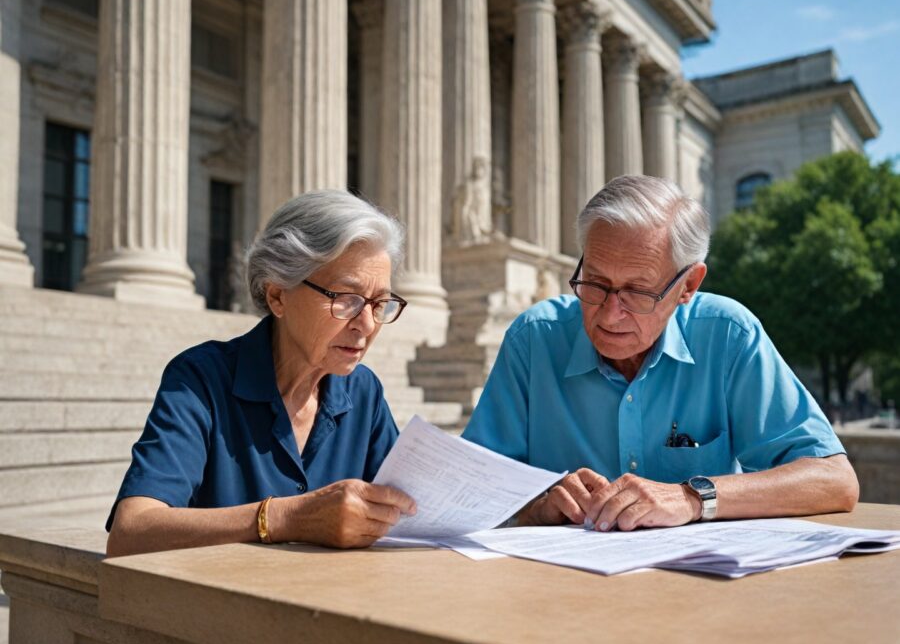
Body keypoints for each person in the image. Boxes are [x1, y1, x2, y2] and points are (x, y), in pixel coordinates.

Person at [463, 175, 859, 532]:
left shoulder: (727, 335)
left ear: (688, 285)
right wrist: (537, 506)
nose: (610, 313)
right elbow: (466, 489)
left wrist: (692, 498)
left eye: (637, 292)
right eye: (596, 283)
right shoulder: (534, 339)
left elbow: (834, 480)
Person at [106, 190, 417, 557]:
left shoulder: (363, 391)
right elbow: (131, 532)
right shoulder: (201, 380)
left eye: (380, 304)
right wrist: (287, 517)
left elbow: (407, 515)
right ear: (277, 296)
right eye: (345, 299)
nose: (366, 324)